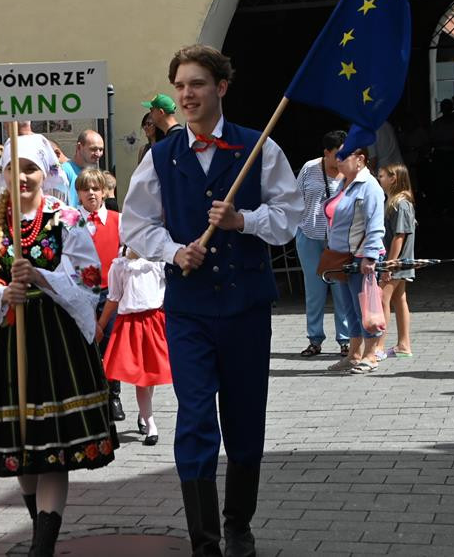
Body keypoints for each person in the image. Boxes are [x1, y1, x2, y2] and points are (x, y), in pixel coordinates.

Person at [121, 45, 302, 557]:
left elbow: (290, 216)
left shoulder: (259, 146)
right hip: (189, 312)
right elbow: (137, 224)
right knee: (196, 417)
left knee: (245, 419)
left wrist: (243, 221)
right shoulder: (161, 157)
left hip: (245, 307)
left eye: (196, 84)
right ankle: (204, 540)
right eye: (179, 86)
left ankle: (238, 525)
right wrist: (174, 251)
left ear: (221, 87)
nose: (186, 95)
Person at [0, 133, 118, 557]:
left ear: (46, 172)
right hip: (2, 339)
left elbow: (90, 277)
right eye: (13, 168)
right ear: (1, 171)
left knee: (53, 452)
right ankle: (40, 528)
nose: (22, 176)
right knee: (22, 450)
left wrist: (44, 277)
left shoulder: (66, 218)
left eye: (30, 168)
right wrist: (1, 291)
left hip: (54, 340)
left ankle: (42, 547)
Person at [96, 246, 171, 445]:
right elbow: (113, 298)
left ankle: (144, 414)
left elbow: (169, 288)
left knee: (151, 375)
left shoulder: (156, 260)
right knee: (141, 378)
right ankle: (151, 424)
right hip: (131, 324)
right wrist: (101, 325)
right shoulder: (120, 265)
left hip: (155, 321)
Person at [322, 148, 385, 375]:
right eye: (336, 157)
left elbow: (375, 224)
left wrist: (370, 256)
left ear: (360, 160)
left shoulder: (370, 186)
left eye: (343, 157)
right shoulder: (344, 184)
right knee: (349, 309)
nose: (338, 162)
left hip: (360, 257)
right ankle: (354, 354)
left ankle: (371, 355)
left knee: (365, 309)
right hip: (343, 258)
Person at [295, 130, 352, 358]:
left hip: (338, 241)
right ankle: (314, 339)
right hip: (309, 235)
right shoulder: (309, 169)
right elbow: (293, 197)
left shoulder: (350, 172)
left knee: (342, 290)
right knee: (314, 290)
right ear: (326, 153)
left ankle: (346, 340)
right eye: (337, 154)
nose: (341, 159)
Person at [74, 168, 125, 422]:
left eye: (96, 188)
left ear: (105, 191)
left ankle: (113, 395)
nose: (91, 193)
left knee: (110, 345)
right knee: (84, 345)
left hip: (111, 292)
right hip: (81, 292)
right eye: (86, 189)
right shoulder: (71, 221)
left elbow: (127, 255)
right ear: (78, 194)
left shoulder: (118, 219)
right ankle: (88, 396)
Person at [377, 164, 416, 359]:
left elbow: (398, 237)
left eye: (382, 176)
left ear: (393, 179)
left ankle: (378, 346)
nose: (379, 179)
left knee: (382, 299)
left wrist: (388, 264)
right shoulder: (394, 202)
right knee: (399, 299)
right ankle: (403, 344)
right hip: (401, 261)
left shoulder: (400, 204)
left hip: (397, 262)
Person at [61, 129, 104, 206]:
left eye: (101, 150)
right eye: (93, 149)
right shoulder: (65, 171)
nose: (98, 154)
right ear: (79, 147)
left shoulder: (95, 173)